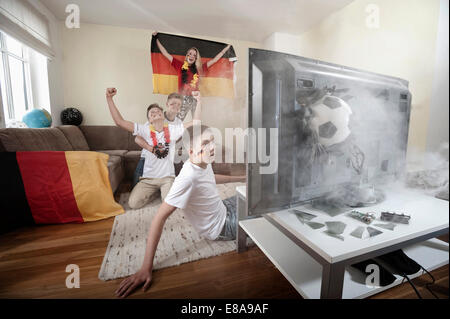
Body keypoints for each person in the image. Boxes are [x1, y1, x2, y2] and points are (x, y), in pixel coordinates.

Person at [115, 124, 245, 298]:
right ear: (191, 151)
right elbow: (159, 218)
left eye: (212, 141)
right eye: (206, 143)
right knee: (264, 210)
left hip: (223, 209)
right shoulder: (187, 178)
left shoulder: (201, 162)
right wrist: (146, 267)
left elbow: (211, 178)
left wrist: (242, 178)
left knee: (251, 193)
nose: (212, 147)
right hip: (222, 226)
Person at [105, 88, 201, 208]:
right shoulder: (145, 130)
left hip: (167, 178)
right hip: (148, 178)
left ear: (162, 115)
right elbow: (119, 121)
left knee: (170, 203)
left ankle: (167, 190)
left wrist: (199, 100)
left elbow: (196, 122)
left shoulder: (173, 129)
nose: (155, 113)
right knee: (133, 203)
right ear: (149, 120)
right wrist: (109, 98)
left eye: (158, 112)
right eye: (152, 113)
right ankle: (155, 191)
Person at [153, 31, 231, 120]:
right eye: (190, 53)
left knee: (196, 122)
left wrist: (225, 49)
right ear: (186, 56)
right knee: (178, 121)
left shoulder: (200, 68)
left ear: (196, 58)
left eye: (194, 55)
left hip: (195, 98)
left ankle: (196, 134)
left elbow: (214, 60)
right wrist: (156, 39)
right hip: (182, 98)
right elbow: (165, 53)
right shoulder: (179, 65)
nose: (191, 56)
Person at [132, 93, 184, 188]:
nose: (175, 106)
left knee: (168, 187)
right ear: (167, 104)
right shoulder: (156, 116)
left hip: (165, 160)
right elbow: (137, 139)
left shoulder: (179, 123)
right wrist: (151, 149)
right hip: (148, 158)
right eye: (173, 103)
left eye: (178, 104)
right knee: (135, 186)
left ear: (180, 108)